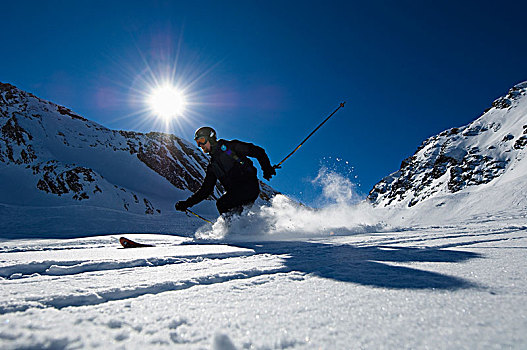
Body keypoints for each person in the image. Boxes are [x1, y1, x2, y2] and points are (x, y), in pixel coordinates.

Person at [175, 127, 276, 216]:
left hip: (249, 186)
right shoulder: (212, 166)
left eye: (202, 140)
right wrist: (187, 203)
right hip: (235, 193)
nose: (200, 145)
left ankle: (233, 230)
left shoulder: (230, 147)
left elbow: (258, 151)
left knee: (223, 204)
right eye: (197, 142)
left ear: (210, 138)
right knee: (232, 210)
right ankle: (244, 230)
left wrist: (266, 168)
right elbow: (206, 190)